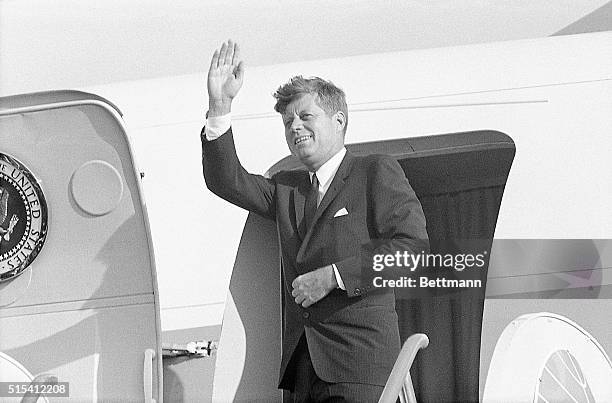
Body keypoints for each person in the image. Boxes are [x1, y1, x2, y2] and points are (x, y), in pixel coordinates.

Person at [201, 40, 429, 402]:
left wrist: (333, 277)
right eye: (288, 121)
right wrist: (220, 106)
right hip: (304, 371)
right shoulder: (287, 188)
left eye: (306, 117)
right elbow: (226, 181)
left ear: (339, 121)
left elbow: (412, 252)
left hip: (359, 364)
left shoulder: (375, 172)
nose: (295, 127)